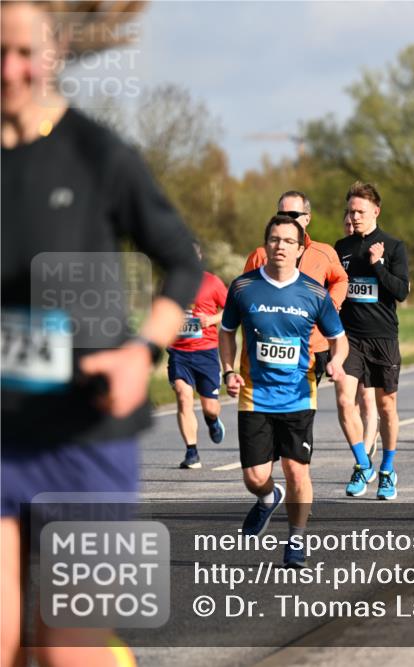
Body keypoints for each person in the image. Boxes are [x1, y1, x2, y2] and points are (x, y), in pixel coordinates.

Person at [1, 3, 203, 664]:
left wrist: (139, 355)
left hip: (82, 435)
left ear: (54, 52)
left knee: (62, 645)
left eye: (24, 53)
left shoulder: (96, 153)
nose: (10, 71)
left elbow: (180, 261)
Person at [220, 216, 348, 567]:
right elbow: (227, 331)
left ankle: (296, 540)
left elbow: (339, 340)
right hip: (254, 395)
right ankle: (266, 498)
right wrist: (228, 370)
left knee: (297, 471)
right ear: (266, 245)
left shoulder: (313, 292)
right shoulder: (243, 287)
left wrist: (336, 362)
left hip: (298, 394)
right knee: (255, 477)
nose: (280, 246)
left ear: (299, 247)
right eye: (274, 240)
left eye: (288, 241)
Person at [334, 182, 409, 500]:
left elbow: (401, 291)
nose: (355, 216)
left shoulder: (393, 247)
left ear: (375, 211)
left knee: (386, 407)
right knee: (343, 400)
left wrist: (378, 264)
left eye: (361, 211)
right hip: (349, 339)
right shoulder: (342, 247)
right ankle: (363, 464)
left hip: (383, 338)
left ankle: (388, 469)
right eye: (351, 211)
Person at [244, 191, 348, 385]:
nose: (286, 220)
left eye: (293, 215)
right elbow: (244, 295)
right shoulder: (260, 255)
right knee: (269, 408)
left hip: (312, 347)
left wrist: (331, 305)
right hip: (269, 346)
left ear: (307, 218)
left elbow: (341, 279)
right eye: (281, 215)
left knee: (300, 411)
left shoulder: (323, 253)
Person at [169, 243, 228, 470]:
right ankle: (191, 452)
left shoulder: (212, 282)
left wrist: (211, 320)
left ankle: (212, 420)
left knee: (210, 407)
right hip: (179, 352)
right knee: (183, 396)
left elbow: (231, 308)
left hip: (206, 352)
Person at [342, 213, 380, 461]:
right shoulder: (340, 252)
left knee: (367, 396)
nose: (351, 225)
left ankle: (366, 447)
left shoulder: (375, 248)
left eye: (353, 221)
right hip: (346, 335)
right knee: (347, 400)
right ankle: (361, 448)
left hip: (373, 333)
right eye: (346, 223)